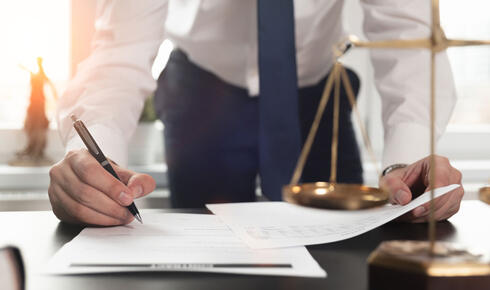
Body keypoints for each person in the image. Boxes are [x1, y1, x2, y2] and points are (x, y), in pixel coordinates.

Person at [48, 0, 464, 226]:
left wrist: (407, 161)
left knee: (341, 251)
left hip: (314, 95)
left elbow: (408, 35)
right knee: (209, 263)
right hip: (203, 95)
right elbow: (121, 51)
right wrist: (90, 157)